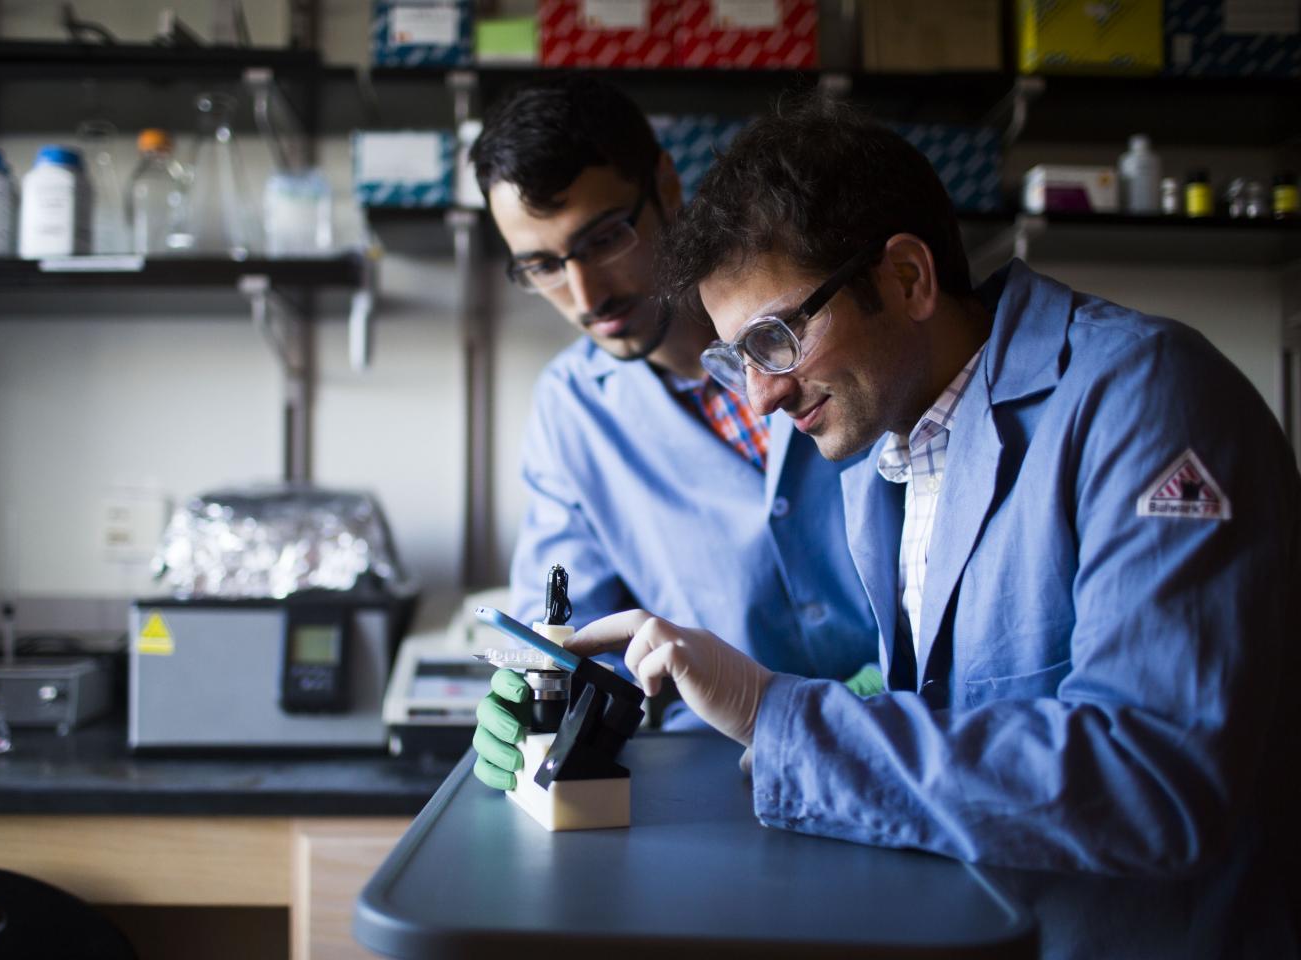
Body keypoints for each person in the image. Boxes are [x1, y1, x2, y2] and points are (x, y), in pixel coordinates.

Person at [570, 96, 1300, 958]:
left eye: (775, 338)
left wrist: (777, 714)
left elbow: (1153, 785)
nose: (760, 396)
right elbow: (953, 711)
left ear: (908, 278)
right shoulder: (886, 458)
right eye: (737, 360)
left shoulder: (1148, 398)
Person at [467, 78, 880, 789]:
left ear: (664, 182)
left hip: (921, 742)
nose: (586, 296)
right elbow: (572, 634)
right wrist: (538, 693)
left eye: (603, 239)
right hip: (724, 780)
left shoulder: (842, 331)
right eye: (542, 267)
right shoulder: (572, 413)